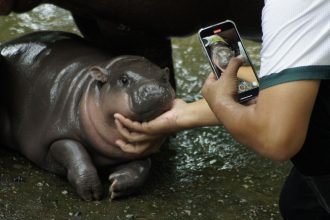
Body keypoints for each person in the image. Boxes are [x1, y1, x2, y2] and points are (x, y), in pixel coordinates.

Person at [114, 0, 330, 218]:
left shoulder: (292, 7)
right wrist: (180, 115)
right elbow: (285, 99)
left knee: (305, 205)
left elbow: (275, 138)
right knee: (298, 202)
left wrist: (220, 101)